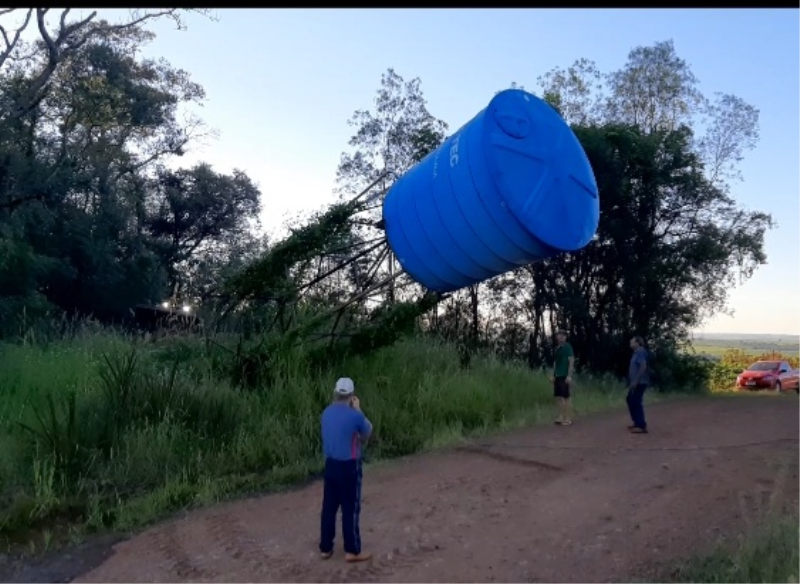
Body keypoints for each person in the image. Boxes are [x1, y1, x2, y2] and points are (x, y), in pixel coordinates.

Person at [319, 377, 373, 562]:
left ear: (335, 393)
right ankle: (352, 550)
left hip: (330, 465)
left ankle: (325, 547)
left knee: (329, 507)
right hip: (349, 465)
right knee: (350, 509)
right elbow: (366, 432)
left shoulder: (326, 413)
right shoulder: (355, 415)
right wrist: (358, 409)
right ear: (351, 396)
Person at [549, 329, 575, 426]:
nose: (561, 337)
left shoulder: (567, 347)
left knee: (566, 397)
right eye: (559, 335)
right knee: (558, 397)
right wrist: (552, 375)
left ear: (565, 337)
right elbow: (555, 363)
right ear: (557, 337)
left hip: (564, 375)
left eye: (563, 335)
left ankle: (567, 418)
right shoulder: (557, 348)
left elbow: (571, 360)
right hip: (557, 375)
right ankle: (560, 416)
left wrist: (569, 375)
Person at [627, 336, 650, 434]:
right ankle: (636, 422)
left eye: (632, 341)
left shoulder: (640, 351)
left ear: (637, 342)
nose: (630, 342)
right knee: (630, 399)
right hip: (636, 381)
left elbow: (643, 366)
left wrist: (636, 380)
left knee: (636, 401)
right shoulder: (636, 352)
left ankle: (641, 425)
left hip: (640, 382)